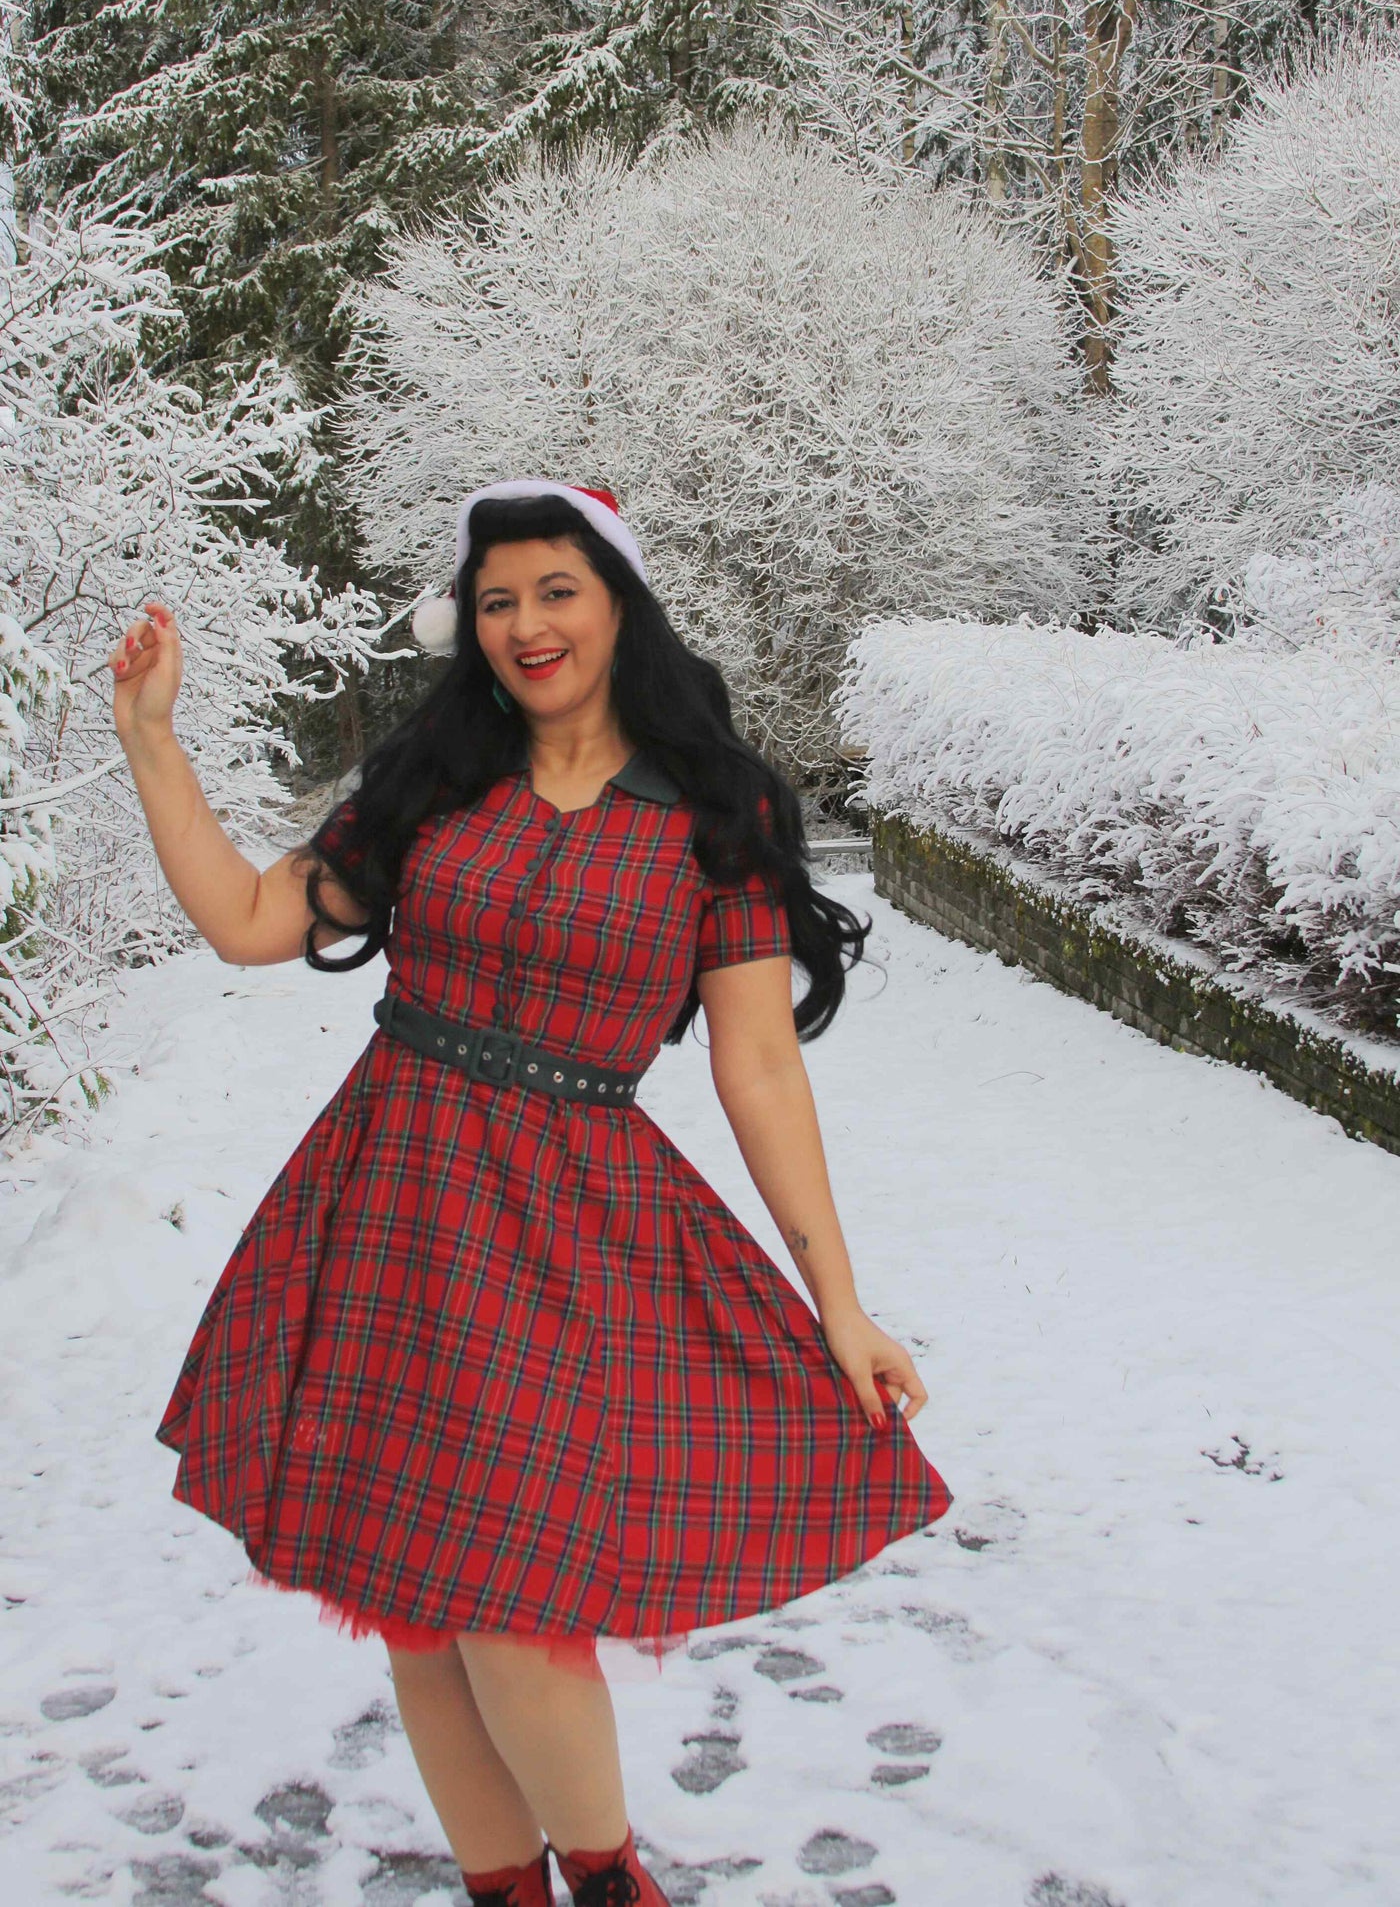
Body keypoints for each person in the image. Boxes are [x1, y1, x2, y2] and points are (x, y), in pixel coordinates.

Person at [109, 480, 952, 1907]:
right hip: (390, 1202)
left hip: (570, 1236)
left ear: (618, 597)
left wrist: (841, 1299)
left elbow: (757, 1066)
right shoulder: (437, 775)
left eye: (555, 588)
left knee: (511, 1605)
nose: (525, 624)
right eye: (496, 599)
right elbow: (253, 918)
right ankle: (507, 1889)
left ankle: (615, 1885)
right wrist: (150, 746)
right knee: (419, 1614)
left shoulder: (713, 810)